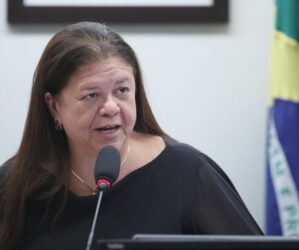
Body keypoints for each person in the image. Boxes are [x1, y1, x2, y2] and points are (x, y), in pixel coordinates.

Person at [0, 22, 263, 250]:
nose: (111, 107)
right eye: (91, 95)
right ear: (53, 106)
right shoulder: (16, 184)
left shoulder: (186, 173)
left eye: (122, 90)